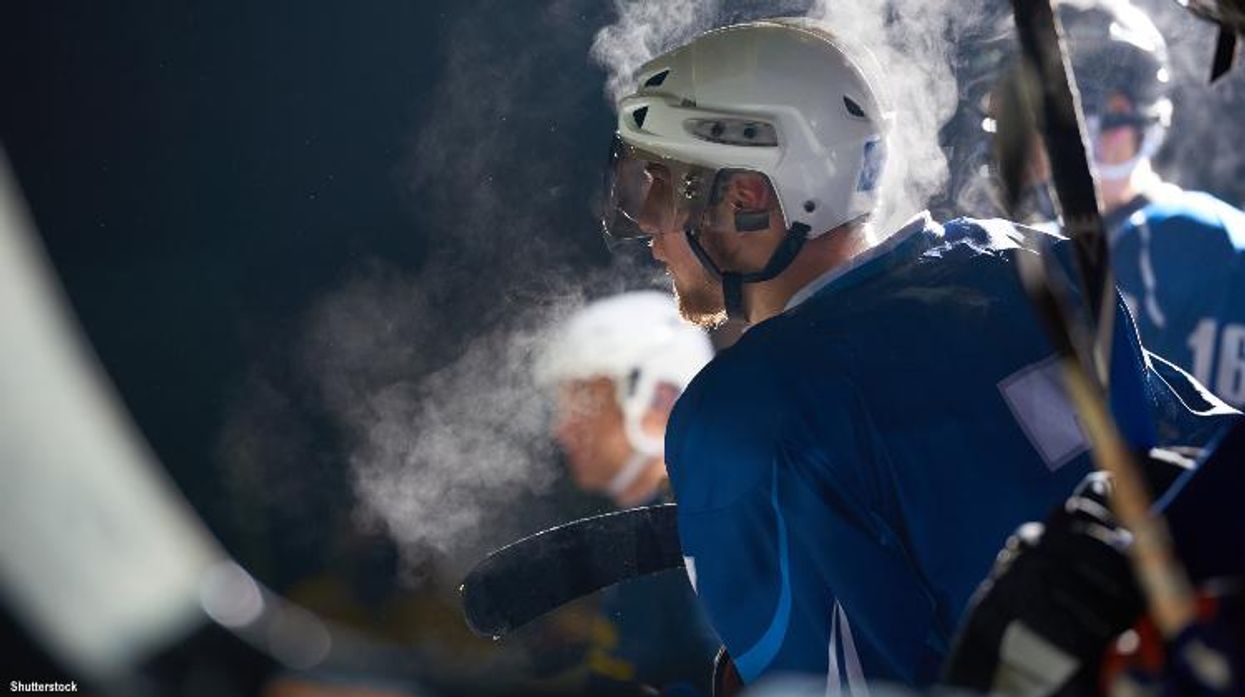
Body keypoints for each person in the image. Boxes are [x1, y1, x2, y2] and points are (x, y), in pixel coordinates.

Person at [598, 16, 1238, 691]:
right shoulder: (1029, 260)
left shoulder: (746, 413)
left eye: (658, 185)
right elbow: (1206, 454)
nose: (645, 223)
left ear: (746, 197)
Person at [535, 290, 720, 695]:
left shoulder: (688, 534)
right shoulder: (648, 530)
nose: (561, 429)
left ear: (659, 400)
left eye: (582, 402)